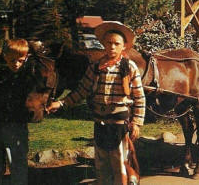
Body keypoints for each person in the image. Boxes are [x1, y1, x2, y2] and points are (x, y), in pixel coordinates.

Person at [47, 21, 145, 185]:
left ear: (124, 47)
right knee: (101, 164)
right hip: (100, 123)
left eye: (116, 44)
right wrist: (61, 103)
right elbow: (81, 91)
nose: (112, 47)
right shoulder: (95, 67)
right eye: (109, 43)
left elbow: (139, 97)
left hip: (119, 124)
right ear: (103, 44)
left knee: (120, 164)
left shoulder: (129, 67)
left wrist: (136, 123)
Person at [0, 39, 30, 185]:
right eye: (12, 60)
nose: (16, 64)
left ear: (26, 58)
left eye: (20, 60)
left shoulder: (27, 79)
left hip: (17, 131)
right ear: (5, 57)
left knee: (18, 166)